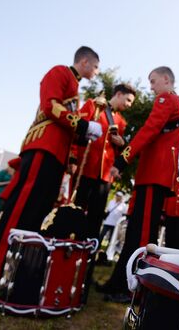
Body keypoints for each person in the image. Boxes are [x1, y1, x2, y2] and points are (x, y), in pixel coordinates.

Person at [0, 46, 102, 282]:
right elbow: (51, 105)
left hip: (56, 155)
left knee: (38, 210)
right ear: (86, 62)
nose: (97, 72)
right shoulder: (59, 72)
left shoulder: (75, 86)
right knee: (23, 206)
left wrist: (78, 139)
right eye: (97, 67)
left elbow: (66, 125)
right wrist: (82, 125)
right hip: (43, 147)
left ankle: (17, 269)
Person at [98, 66, 179, 302]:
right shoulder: (170, 102)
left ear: (166, 79)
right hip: (151, 175)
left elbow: (149, 130)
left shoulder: (167, 99)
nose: (152, 87)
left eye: (153, 81)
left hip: (154, 175)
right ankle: (118, 282)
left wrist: (122, 158)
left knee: (143, 236)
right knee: (135, 233)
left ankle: (134, 289)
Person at [74, 83, 135, 240]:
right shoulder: (94, 105)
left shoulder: (121, 122)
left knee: (95, 217)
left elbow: (115, 151)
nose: (129, 105)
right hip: (86, 168)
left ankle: (88, 255)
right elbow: (75, 131)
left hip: (105, 176)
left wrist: (122, 144)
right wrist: (72, 158)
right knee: (76, 211)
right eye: (128, 100)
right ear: (119, 94)